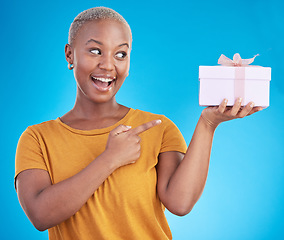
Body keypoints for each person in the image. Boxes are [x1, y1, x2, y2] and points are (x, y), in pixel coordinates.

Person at [14, 6, 263, 240]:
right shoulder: (37, 138)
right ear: (70, 54)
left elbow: (180, 203)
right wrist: (110, 159)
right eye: (95, 51)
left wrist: (208, 124)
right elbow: (40, 215)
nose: (108, 65)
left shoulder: (158, 127)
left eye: (120, 54)